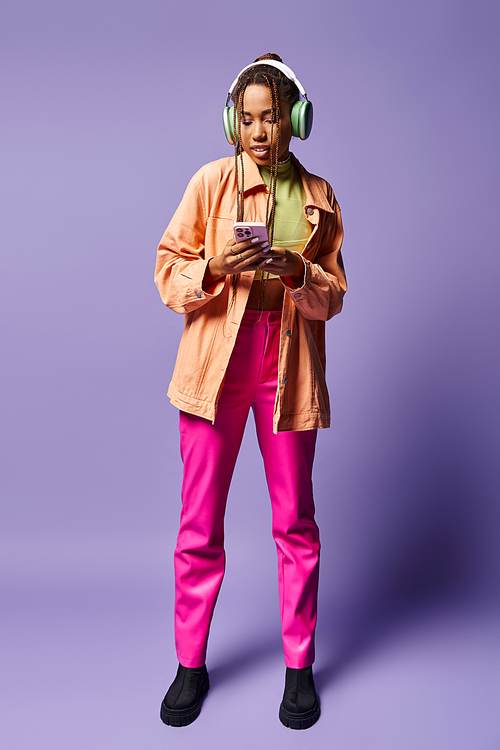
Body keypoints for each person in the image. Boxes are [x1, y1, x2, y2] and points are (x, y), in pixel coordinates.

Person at [154, 53, 346, 730]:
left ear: (296, 120)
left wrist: (298, 271)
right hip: (216, 367)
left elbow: (334, 298)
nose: (259, 131)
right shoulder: (210, 183)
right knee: (199, 522)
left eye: (271, 117)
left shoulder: (320, 196)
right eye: (248, 118)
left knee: (295, 522)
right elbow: (166, 271)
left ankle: (299, 669)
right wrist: (211, 267)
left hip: (286, 365)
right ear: (232, 121)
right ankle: (190, 663)